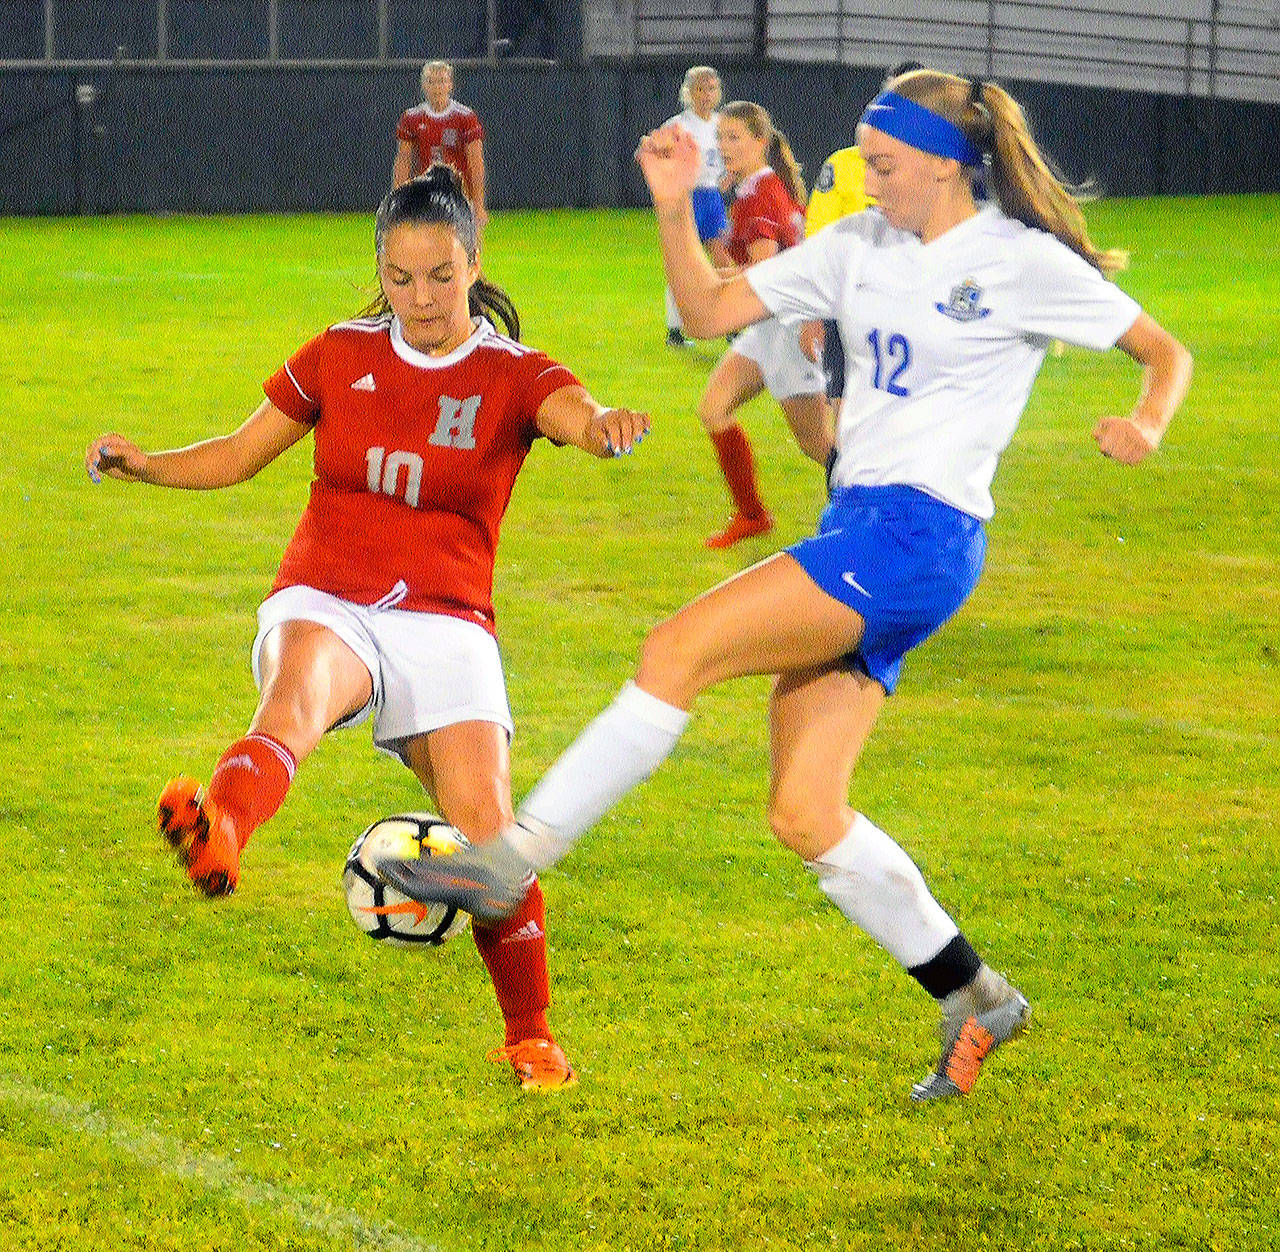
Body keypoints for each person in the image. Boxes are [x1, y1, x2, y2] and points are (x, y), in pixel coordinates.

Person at [379, 70, 1193, 1102]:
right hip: (857, 526)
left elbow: (1161, 352)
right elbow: (708, 306)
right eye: (860, 160)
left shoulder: (1015, 261)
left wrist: (1146, 421)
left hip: (918, 537)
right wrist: (675, 207)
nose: (865, 179)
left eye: (884, 163)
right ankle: (975, 995)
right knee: (806, 812)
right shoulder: (857, 247)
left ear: (945, 162)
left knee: (674, 648)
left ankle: (507, 859)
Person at [84, 166, 649, 1093]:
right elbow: (237, 454)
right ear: (379, 274)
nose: (420, 299)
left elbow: (574, 413)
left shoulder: (513, 373)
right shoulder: (339, 354)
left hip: (448, 618)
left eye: (438, 275)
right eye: (399, 278)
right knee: (296, 697)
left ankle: (531, 1035)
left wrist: (604, 427)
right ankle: (221, 824)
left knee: (488, 838)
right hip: (329, 592)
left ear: (473, 263)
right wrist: (145, 463)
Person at [694, 100, 829, 549]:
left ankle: (877, 513)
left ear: (760, 142)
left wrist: (706, 284)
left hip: (789, 326)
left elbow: (763, 272)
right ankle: (752, 515)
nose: (724, 146)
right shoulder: (752, 189)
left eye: (735, 137)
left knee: (820, 446)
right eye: (721, 137)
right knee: (714, 408)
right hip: (769, 324)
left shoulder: (763, 194)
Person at [800, 62, 924, 417]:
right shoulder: (843, 165)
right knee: (840, 417)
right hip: (849, 306)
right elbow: (818, 240)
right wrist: (814, 312)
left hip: (911, 309)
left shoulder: (937, 167)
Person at [662, 66, 727, 348]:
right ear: (688, 93)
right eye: (700, 89)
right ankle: (675, 329)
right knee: (683, 261)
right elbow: (659, 156)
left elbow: (730, 157)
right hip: (687, 199)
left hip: (712, 197)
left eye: (711, 88)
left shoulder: (722, 124)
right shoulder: (679, 125)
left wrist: (729, 177)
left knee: (723, 259)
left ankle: (728, 322)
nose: (706, 95)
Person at [393, 61, 487, 230]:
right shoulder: (411, 118)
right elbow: (404, 161)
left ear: (450, 84)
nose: (437, 87)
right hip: (426, 194)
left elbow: (476, 162)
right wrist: (398, 200)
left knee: (465, 249)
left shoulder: (465, 117)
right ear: (423, 85)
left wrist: (478, 205)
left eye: (441, 81)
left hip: (458, 195)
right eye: (431, 81)